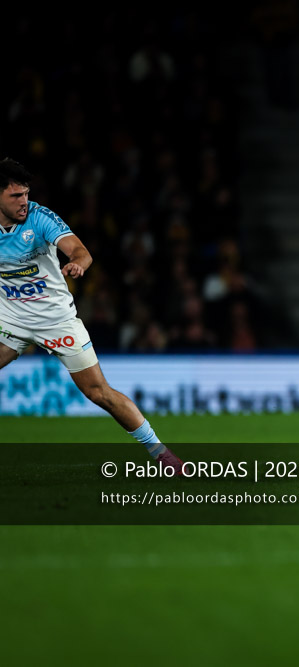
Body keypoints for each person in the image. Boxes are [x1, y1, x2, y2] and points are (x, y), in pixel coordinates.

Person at [0, 158, 184, 473]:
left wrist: (79, 263)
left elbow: (80, 250)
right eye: (16, 196)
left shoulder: (40, 218)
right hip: (11, 319)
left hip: (55, 319)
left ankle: (163, 455)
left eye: (26, 194)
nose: (24, 202)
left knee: (98, 392)